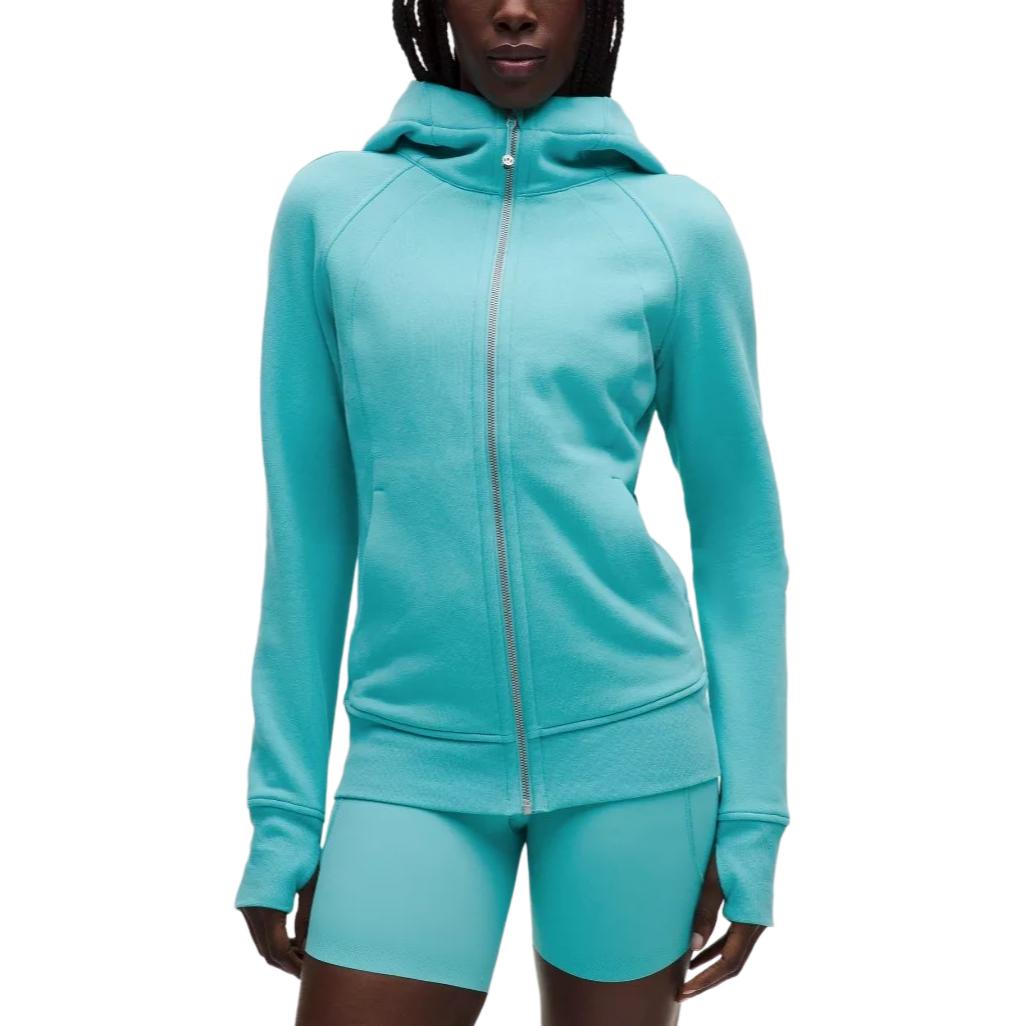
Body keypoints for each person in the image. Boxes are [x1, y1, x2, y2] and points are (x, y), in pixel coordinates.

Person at [234, 2, 790, 1023]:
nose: (515, 7)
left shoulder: (676, 227)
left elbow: (742, 541)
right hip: (412, 758)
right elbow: (309, 533)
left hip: (638, 756)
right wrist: (284, 813)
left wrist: (753, 817)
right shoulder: (337, 210)